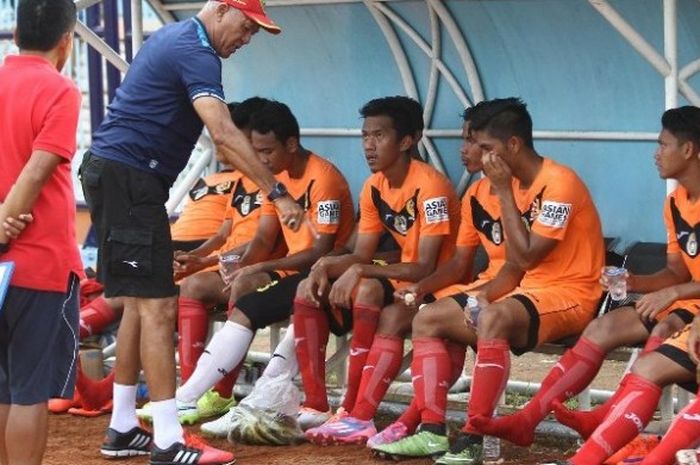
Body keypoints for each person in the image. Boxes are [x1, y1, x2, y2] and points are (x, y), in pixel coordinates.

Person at [79, 2, 305, 464]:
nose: (247, 39)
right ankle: (168, 440)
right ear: (222, 9)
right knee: (159, 308)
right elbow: (222, 133)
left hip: (121, 178)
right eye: (246, 27)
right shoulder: (197, 51)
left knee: (143, 307)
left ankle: (123, 426)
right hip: (130, 181)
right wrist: (279, 193)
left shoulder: (174, 39)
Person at [376, 98, 604, 464]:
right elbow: (513, 268)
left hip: (570, 293)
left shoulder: (560, 183)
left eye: (487, 148)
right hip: (522, 289)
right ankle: (432, 431)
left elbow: (528, 256)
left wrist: (501, 192)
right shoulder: (499, 188)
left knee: (493, 319)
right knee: (428, 318)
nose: (479, 156)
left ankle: (473, 437)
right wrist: (479, 297)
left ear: (513, 145)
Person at [172, 100, 355, 422]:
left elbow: (320, 251)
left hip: (321, 273)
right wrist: (220, 263)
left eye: (267, 151)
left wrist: (257, 267)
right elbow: (261, 240)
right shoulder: (275, 182)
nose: (260, 159)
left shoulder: (323, 179)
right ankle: (207, 394)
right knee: (215, 283)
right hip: (289, 268)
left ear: (292, 144)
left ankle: (226, 396)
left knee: (269, 292)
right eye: (255, 151)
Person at [293, 96, 460, 445]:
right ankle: (329, 407)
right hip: (404, 279)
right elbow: (362, 254)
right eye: (365, 136)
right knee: (309, 288)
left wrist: (362, 271)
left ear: (406, 141)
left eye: (379, 135)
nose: (369, 145)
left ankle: (357, 413)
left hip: (441, 283)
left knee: (372, 294)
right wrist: (324, 266)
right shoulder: (374, 186)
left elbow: (427, 265)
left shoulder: (431, 187)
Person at [539, 106, 700, 465]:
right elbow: (676, 271)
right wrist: (636, 282)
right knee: (616, 332)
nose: (656, 154)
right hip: (690, 304)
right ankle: (540, 420)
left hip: (689, 306)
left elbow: (678, 285)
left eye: (663, 145)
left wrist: (673, 293)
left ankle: (615, 432)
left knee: (664, 327)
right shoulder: (674, 203)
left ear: (688, 150)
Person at [368, 101, 529, 456]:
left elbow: (524, 263)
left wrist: (479, 295)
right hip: (488, 282)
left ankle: (443, 430)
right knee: (429, 316)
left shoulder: (536, 187)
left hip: (532, 291)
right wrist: (421, 288)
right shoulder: (474, 193)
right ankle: (424, 426)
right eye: (467, 141)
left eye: (477, 143)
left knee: (439, 317)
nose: (465, 150)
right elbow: (459, 263)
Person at [0, 1, 81, 464]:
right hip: (37, 262)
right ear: (67, 40)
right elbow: (37, 170)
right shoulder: (60, 90)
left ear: (14, 34)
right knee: (29, 389)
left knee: (2, 386)